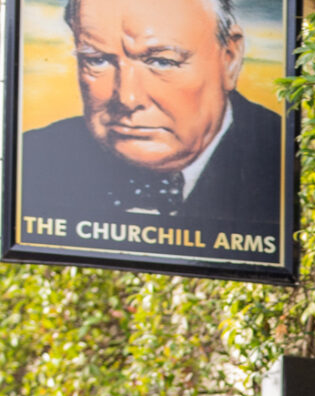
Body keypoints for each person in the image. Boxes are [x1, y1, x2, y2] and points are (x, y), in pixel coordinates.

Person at [18, 0, 283, 260]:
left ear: (230, 59)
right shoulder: (33, 159)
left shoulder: (285, 157)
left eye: (162, 62)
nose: (128, 98)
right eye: (97, 60)